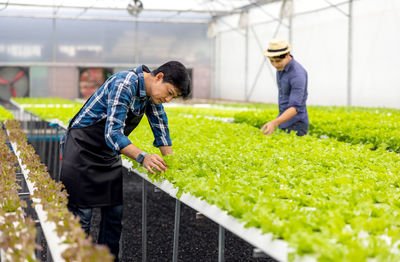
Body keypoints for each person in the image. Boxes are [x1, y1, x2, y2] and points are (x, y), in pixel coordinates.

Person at [59, 61, 191, 261]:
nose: (168, 99)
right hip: (82, 148)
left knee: (113, 216)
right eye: (169, 92)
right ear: (159, 77)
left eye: (173, 96)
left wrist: (171, 163)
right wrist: (143, 157)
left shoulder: (151, 95)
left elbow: (160, 127)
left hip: (107, 153)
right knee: (81, 217)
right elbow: (112, 133)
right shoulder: (125, 83)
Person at [260, 39, 309, 136]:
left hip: (296, 125)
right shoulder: (281, 67)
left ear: (287, 55)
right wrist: (278, 122)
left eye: (278, 61)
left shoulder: (297, 75)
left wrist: (274, 122)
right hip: (283, 121)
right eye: (272, 61)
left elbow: (295, 108)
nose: (275, 65)